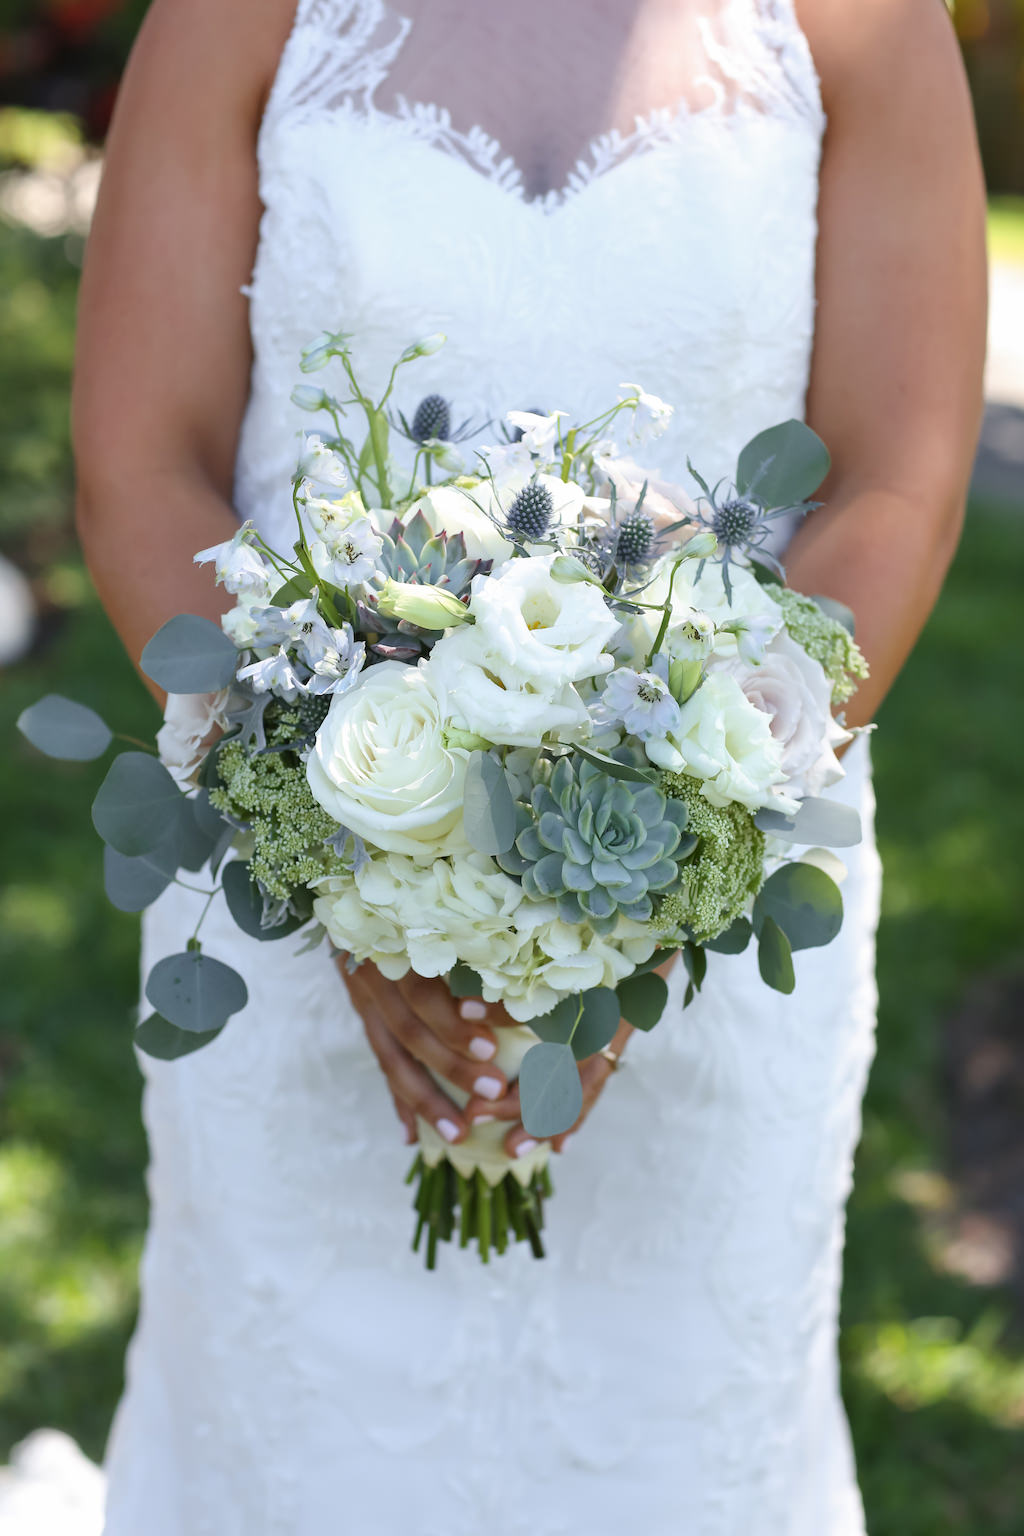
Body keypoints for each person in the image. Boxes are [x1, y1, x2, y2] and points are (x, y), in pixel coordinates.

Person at [71, 1, 985, 1531]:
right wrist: (335, 861)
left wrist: (661, 882)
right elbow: (140, 458)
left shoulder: (859, 20)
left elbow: (899, 475)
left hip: (723, 911)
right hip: (289, 893)